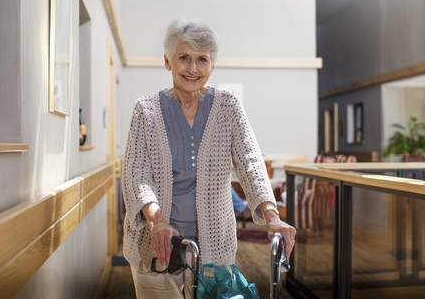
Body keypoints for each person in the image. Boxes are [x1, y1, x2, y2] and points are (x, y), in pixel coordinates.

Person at [122, 18, 296, 298]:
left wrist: (272, 216)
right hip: (155, 244)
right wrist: (156, 221)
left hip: (215, 244)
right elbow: (136, 173)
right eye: (183, 58)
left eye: (202, 59)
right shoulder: (146, 110)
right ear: (167, 61)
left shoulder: (228, 105)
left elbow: (250, 161)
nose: (192, 68)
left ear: (212, 66)